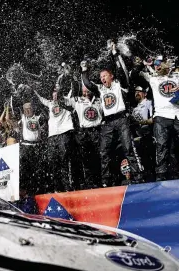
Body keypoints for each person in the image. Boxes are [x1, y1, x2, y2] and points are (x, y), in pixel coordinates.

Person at [81, 42, 143, 186]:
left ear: (111, 76)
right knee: (104, 151)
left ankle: (138, 177)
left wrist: (115, 54)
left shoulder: (119, 84)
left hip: (122, 119)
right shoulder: (100, 89)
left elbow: (121, 70)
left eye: (105, 76)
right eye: (101, 77)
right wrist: (84, 70)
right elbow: (88, 83)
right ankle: (106, 181)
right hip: (107, 122)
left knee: (128, 148)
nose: (102, 79)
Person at [131, 56, 179, 181]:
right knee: (161, 145)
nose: (156, 66)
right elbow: (134, 76)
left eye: (159, 63)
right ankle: (161, 176)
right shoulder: (152, 78)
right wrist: (140, 65)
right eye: (154, 64)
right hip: (161, 116)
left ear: (167, 64)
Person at [60, 84, 103, 189]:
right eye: (84, 91)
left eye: (88, 91)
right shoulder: (77, 100)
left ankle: (102, 181)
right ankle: (90, 184)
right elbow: (63, 102)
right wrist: (60, 91)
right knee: (86, 159)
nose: (86, 93)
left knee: (100, 157)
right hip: (84, 133)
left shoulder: (99, 100)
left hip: (97, 131)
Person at [33, 86, 75, 192]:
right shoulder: (50, 103)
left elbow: (73, 88)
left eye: (57, 93)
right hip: (52, 136)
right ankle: (57, 187)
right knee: (53, 161)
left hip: (64, 134)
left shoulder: (66, 100)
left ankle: (67, 186)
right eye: (54, 93)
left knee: (64, 160)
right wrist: (32, 88)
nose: (55, 95)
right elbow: (39, 98)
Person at [18, 102, 45, 195]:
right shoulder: (23, 118)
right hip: (26, 147)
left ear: (33, 108)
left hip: (37, 146)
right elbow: (15, 107)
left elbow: (45, 111)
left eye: (29, 108)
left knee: (37, 169)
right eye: (25, 109)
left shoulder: (38, 118)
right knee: (26, 169)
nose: (27, 111)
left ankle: (38, 189)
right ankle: (27, 191)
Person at [131, 86, 156, 182]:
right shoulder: (134, 109)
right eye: (135, 92)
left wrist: (142, 123)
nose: (137, 93)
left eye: (139, 91)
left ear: (145, 93)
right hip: (139, 139)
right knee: (144, 163)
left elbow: (153, 118)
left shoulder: (149, 102)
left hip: (150, 136)